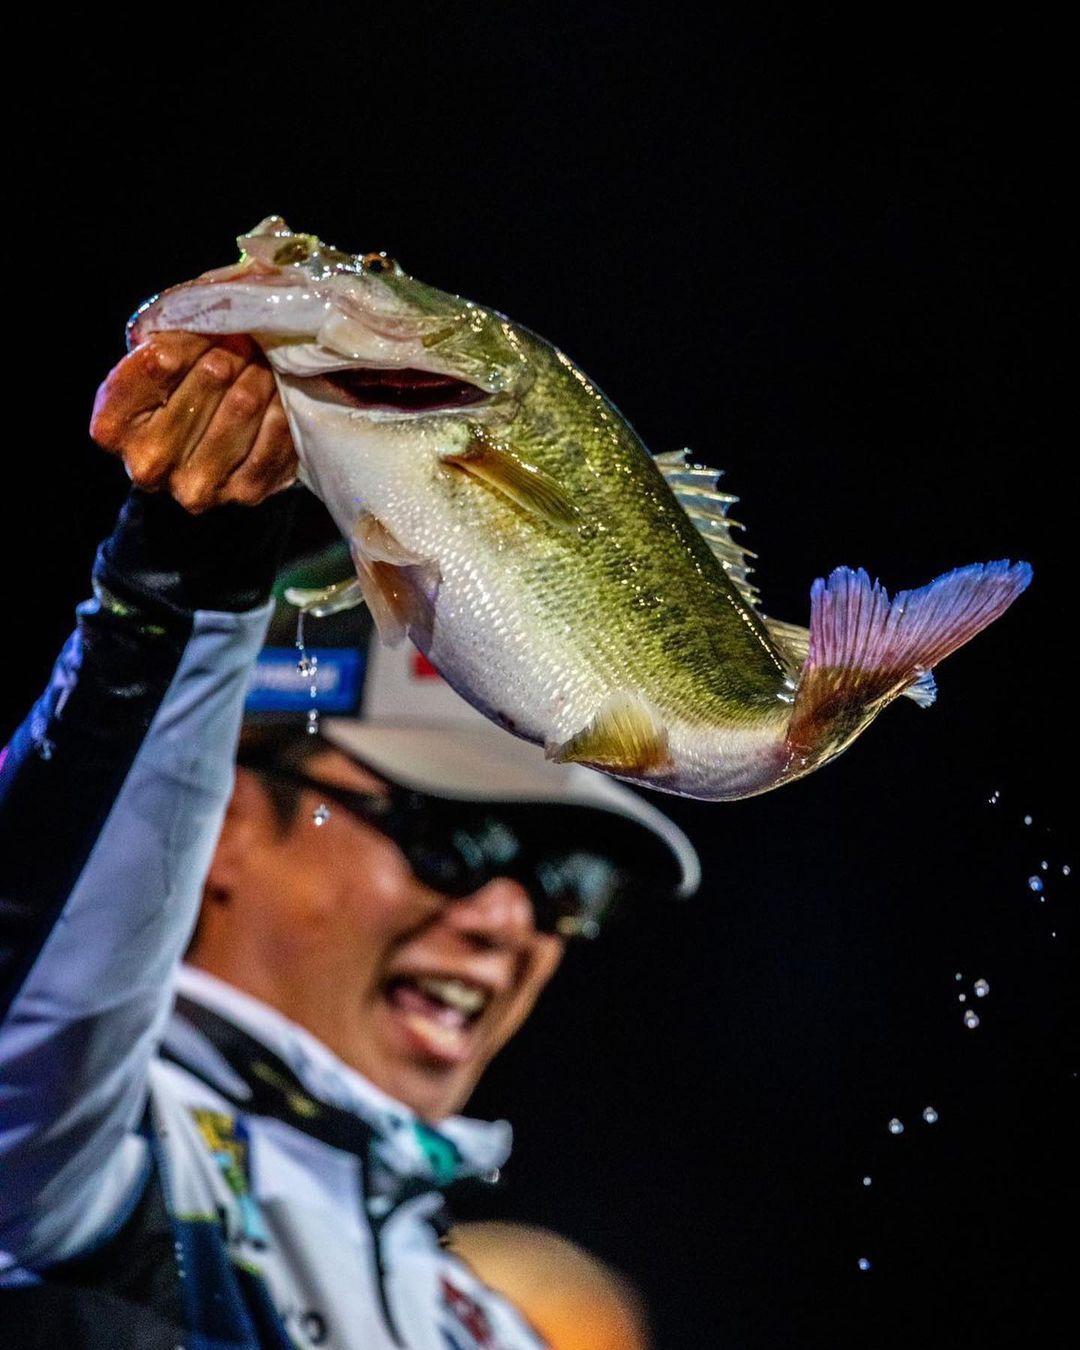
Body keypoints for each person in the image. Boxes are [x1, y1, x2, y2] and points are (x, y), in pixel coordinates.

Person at [0, 334, 698, 1348]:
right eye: (444, 834)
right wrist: (188, 570)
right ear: (223, 821)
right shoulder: (87, 1165)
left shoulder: (493, 1329)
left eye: (566, 880)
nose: (507, 918)